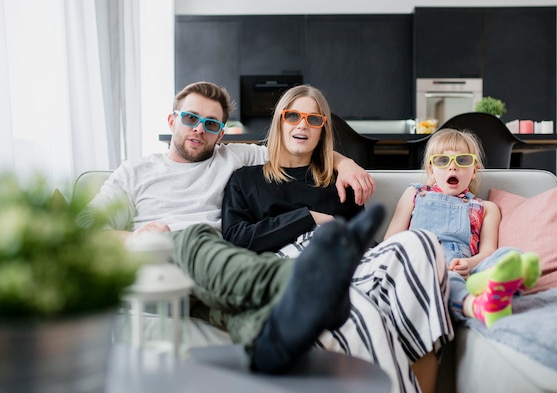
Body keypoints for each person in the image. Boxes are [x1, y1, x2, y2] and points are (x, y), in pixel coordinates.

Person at [79, 80, 385, 374]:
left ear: (221, 133)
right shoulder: (135, 172)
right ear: (172, 121)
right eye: (190, 118)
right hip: (160, 261)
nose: (199, 128)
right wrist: (134, 238)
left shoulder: (234, 157)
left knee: (251, 321)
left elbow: (298, 145)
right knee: (193, 236)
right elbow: (85, 227)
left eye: (211, 124)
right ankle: (296, 281)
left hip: (214, 277)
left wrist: (346, 164)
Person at [221, 84, 454, 393]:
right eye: (293, 117)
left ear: (321, 131)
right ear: (279, 122)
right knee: (360, 311)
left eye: (313, 120)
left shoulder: (339, 181)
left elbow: (362, 242)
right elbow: (236, 237)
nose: (302, 125)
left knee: (423, 244)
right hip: (293, 266)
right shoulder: (245, 179)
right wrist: (309, 217)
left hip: (351, 262)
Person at [384, 128, 542, 328]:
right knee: (447, 279)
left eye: (463, 160)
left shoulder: (486, 208)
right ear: (431, 169)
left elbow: (488, 251)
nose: (453, 168)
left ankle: (497, 280)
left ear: (474, 169)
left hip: (469, 267)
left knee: (508, 255)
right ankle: (480, 304)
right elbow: (390, 242)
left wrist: (469, 263)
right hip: (427, 266)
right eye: (443, 161)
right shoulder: (415, 194)